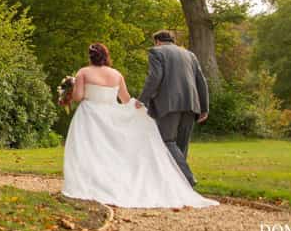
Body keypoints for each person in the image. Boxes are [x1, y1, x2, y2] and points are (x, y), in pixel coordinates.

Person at [61, 42, 217, 208]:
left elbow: (78, 97)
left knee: (88, 150)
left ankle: (90, 184)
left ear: (90, 57)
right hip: (111, 115)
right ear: (106, 56)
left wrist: (69, 92)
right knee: (109, 152)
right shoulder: (116, 75)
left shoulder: (83, 72)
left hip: (89, 115)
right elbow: (126, 99)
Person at [136, 29, 209, 186]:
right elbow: (201, 81)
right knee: (182, 144)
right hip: (192, 103)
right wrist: (204, 107)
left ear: (157, 41)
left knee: (167, 140)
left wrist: (143, 99)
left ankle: (187, 178)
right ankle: (179, 184)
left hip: (169, 103)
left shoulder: (156, 52)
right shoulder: (190, 54)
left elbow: (155, 77)